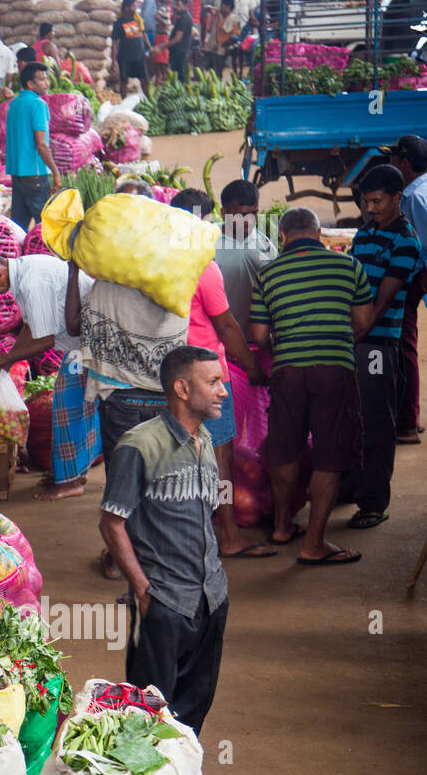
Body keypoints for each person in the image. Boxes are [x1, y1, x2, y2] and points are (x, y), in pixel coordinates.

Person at [99, 346, 230, 736]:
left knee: (194, 708)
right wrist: (142, 591)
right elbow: (111, 524)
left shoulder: (204, 439)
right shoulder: (139, 446)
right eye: (213, 382)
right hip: (164, 603)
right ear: (182, 389)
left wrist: (217, 589)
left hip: (211, 598)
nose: (223, 391)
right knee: (147, 714)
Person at [250, 207, 374, 564]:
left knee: (284, 450)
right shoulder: (348, 266)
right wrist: (334, 342)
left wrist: (288, 348)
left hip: (287, 373)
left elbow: (258, 335)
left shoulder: (268, 273)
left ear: (283, 237)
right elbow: (363, 321)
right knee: (329, 456)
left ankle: (281, 526)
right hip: (335, 370)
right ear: (319, 235)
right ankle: (314, 545)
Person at [171, 189, 273, 557]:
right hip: (209, 375)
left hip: (171, 375)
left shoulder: (155, 264)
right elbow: (228, 327)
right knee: (220, 460)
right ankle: (229, 536)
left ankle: (181, 539)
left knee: (175, 458)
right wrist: (252, 367)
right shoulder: (204, 265)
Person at [0, 249, 101, 501]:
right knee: (79, 405)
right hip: (82, 343)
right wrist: (6, 362)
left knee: (67, 404)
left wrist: (3, 360)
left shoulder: (32, 280)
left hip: (89, 343)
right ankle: (73, 474)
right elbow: (31, 327)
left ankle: (70, 481)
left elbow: (46, 339)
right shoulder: (23, 274)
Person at [338, 165, 422, 529]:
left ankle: (373, 502)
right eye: (365, 201)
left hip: (375, 348)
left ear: (397, 198)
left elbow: (377, 308)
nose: (369, 208)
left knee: (375, 422)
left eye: (376, 201)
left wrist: (343, 340)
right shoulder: (363, 235)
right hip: (355, 342)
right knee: (348, 420)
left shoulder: (407, 243)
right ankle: (349, 487)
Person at [383, 136, 427, 443]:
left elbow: (421, 248)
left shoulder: (413, 197)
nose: (391, 164)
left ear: (405, 162)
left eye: (394, 159)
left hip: (415, 276)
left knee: (403, 345)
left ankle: (408, 422)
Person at [215, 180, 277, 334]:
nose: (249, 221)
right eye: (241, 215)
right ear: (224, 213)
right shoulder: (208, 241)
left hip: (257, 337)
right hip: (220, 336)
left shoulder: (265, 244)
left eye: (254, 213)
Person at [5, 63, 61, 230]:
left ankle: (18, 255)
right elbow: (41, 144)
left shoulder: (14, 104)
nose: (47, 83)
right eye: (42, 79)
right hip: (35, 173)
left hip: (17, 173)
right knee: (45, 228)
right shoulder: (38, 105)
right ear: (30, 84)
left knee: (19, 228)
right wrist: (56, 171)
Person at [111, 0, 153, 98]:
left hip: (139, 55)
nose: (135, 8)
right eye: (133, 6)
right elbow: (115, 43)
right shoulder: (118, 23)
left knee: (144, 79)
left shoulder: (137, 19)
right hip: (125, 57)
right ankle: (124, 102)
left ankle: (149, 99)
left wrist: (150, 49)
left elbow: (144, 35)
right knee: (124, 81)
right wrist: (114, 60)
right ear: (126, 8)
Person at [168, 0, 194, 81]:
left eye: (178, 5)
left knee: (180, 74)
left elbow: (178, 37)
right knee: (178, 73)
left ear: (184, 5)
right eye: (175, 5)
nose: (175, 7)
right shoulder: (182, 16)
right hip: (180, 50)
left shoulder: (184, 18)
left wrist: (163, 46)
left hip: (180, 51)